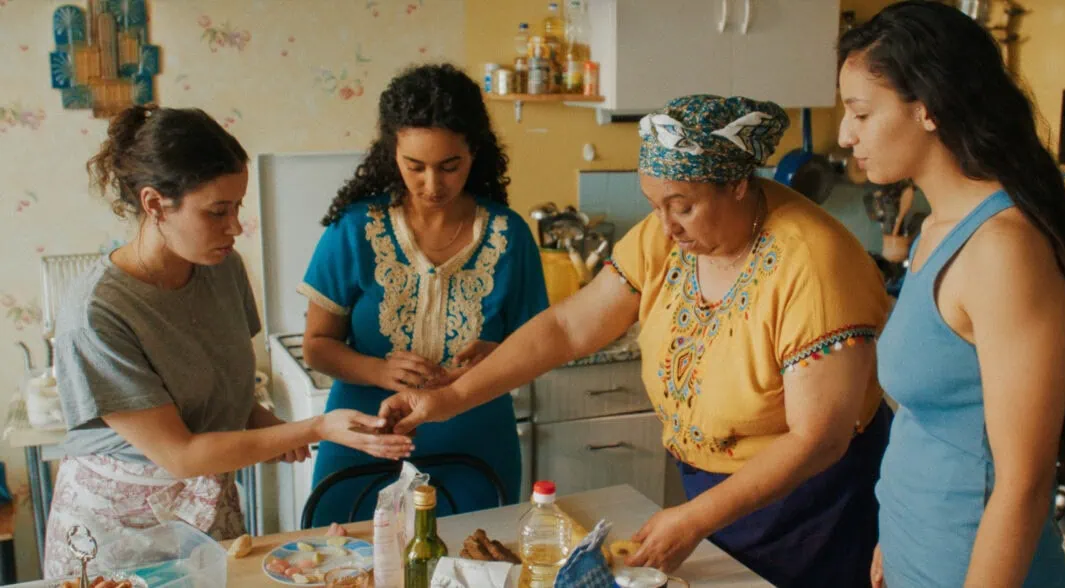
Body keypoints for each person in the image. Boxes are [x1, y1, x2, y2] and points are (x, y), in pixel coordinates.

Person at [377, 94, 894, 586]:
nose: (665, 227)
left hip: (813, 510)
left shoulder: (815, 264)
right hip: (714, 498)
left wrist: (694, 520)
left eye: (682, 207)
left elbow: (819, 438)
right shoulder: (666, 236)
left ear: (737, 184)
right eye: (654, 204)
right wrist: (447, 398)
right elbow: (566, 328)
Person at [44, 104, 411, 577]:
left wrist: (269, 429)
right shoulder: (98, 312)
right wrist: (313, 428)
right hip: (116, 531)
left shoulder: (222, 268)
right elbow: (179, 454)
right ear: (155, 204)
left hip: (202, 511)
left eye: (237, 206)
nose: (235, 227)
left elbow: (225, 393)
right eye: (217, 211)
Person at [836, 3, 1065, 587]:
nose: (846, 134)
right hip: (920, 550)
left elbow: (1023, 481)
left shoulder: (1001, 251)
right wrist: (896, 537)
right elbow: (936, 422)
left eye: (861, 113)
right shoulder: (934, 231)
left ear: (928, 109)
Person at [299, 63, 548, 525]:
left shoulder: (509, 236)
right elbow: (316, 346)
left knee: (474, 562)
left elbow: (540, 345)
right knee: (344, 562)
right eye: (415, 166)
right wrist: (377, 369)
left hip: (476, 441)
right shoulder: (356, 229)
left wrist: (496, 354)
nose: (432, 185)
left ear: (474, 152)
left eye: (449, 166)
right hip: (367, 437)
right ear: (391, 153)